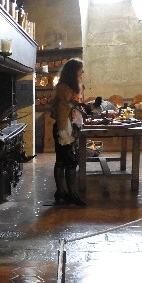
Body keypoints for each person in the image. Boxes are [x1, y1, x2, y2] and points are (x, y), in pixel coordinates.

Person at [51, 58, 86, 205]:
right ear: (73, 71)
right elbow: (69, 104)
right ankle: (68, 193)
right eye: (80, 69)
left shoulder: (69, 86)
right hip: (63, 127)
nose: (82, 72)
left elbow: (74, 104)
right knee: (69, 161)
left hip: (66, 126)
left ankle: (62, 192)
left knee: (64, 161)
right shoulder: (64, 87)